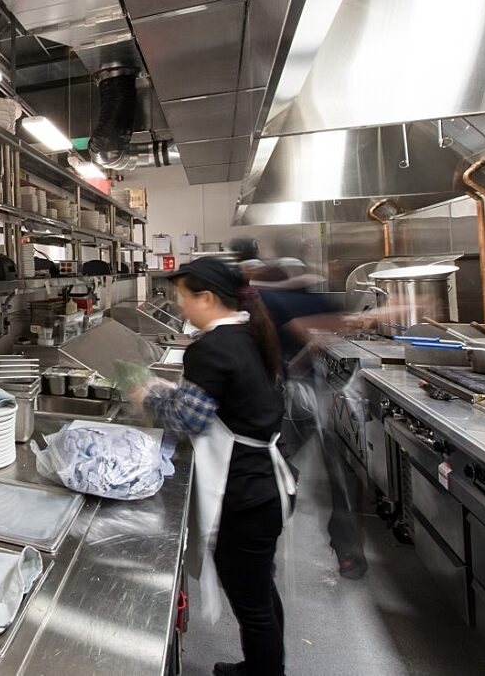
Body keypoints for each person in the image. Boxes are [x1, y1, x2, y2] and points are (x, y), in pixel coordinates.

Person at [130, 257, 295, 676]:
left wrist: (145, 399)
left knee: (250, 596)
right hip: (265, 483)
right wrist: (171, 391)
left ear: (206, 297)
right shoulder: (247, 333)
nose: (180, 305)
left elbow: (190, 419)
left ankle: (264, 672)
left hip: (246, 493)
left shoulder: (212, 347)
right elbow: (222, 402)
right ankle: (264, 665)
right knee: (258, 585)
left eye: (183, 297)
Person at [253, 261, 368, 579]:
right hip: (321, 395)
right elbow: (326, 331)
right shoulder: (310, 296)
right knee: (340, 477)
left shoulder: (268, 301)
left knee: (279, 473)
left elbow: (303, 336)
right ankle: (347, 551)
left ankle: (265, 553)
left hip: (290, 399)